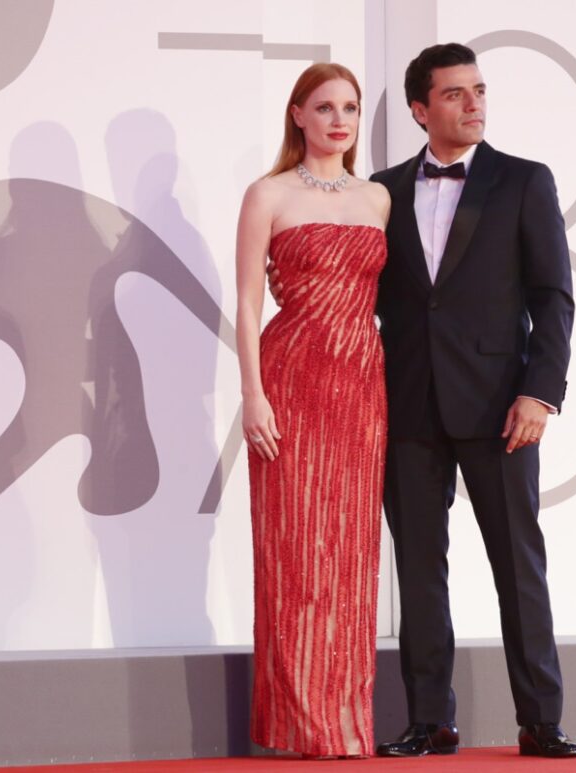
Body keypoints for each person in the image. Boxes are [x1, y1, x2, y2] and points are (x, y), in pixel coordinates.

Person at [368, 43, 576, 758]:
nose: (474, 103)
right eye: (455, 94)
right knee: (419, 570)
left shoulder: (524, 181)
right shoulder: (382, 189)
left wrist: (540, 393)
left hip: (501, 406)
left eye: (479, 89)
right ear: (419, 109)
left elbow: (552, 297)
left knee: (518, 564)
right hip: (407, 405)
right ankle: (430, 717)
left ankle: (540, 717)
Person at [236, 62, 390, 758]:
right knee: (295, 551)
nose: (339, 119)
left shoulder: (377, 200)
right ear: (297, 114)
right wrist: (252, 394)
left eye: (350, 108)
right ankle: (300, 724)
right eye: (324, 106)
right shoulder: (267, 193)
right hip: (290, 379)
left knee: (351, 555)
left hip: (361, 385)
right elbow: (244, 304)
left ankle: (349, 723)